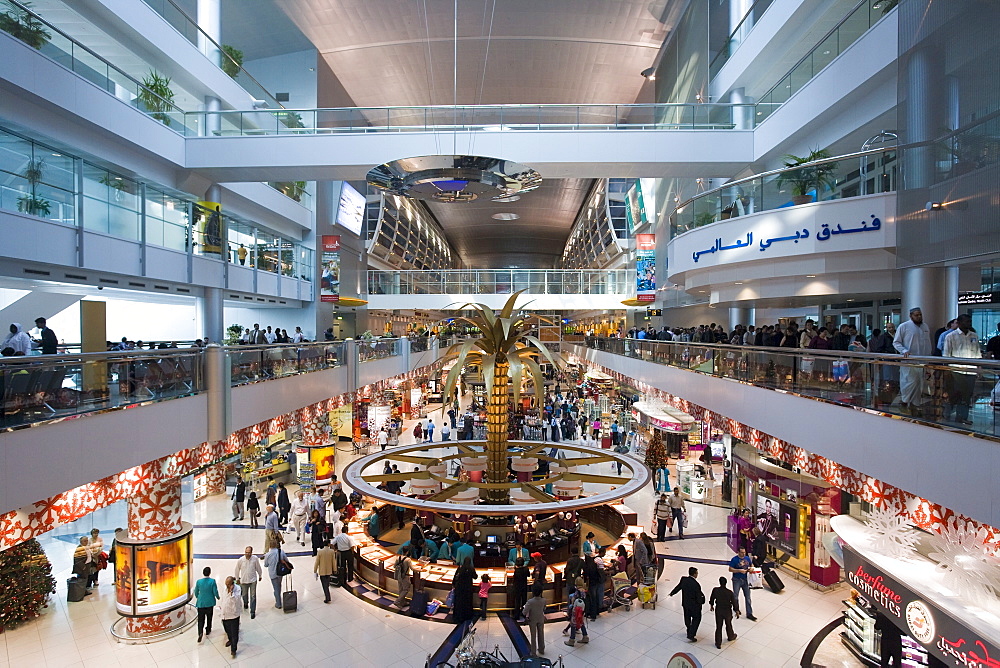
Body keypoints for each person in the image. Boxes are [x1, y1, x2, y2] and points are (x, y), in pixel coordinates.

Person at [942, 313, 981, 425]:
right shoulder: (951, 336)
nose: (968, 324)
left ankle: (962, 417)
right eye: (966, 322)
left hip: (970, 370)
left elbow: (977, 353)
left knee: (967, 395)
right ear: (959, 323)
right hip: (956, 371)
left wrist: (978, 368)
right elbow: (946, 355)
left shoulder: (974, 335)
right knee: (954, 394)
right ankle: (947, 414)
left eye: (969, 321)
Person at [893, 307, 933, 416]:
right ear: (911, 316)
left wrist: (929, 359)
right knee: (909, 382)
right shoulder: (904, 326)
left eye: (920, 314)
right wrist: (904, 351)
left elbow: (928, 343)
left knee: (919, 383)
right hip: (909, 361)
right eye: (916, 315)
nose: (919, 317)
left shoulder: (925, 327)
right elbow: (896, 342)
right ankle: (904, 403)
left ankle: (915, 406)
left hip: (922, 361)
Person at [669, 566, 705, 642]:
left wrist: (672, 592)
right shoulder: (696, 584)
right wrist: (701, 602)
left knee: (687, 617)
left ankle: (689, 629)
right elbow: (698, 596)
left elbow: (678, 587)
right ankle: (691, 634)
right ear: (695, 574)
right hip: (694, 605)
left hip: (685, 603)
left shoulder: (684, 579)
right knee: (696, 618)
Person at [709, 575, 739, 649]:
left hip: (719, 609)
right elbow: (734, 602)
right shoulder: (729, 592)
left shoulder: (715, 590)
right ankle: (730, 636)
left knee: (718, 626)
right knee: (728, 624)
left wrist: (711, 605)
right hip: (727, 610)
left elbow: (712, 598)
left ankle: (718, 643)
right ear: (726, 583)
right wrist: (737, 610)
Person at [729, 546, 758, 621]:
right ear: (738, 552)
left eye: (744, 552)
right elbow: (730, 569)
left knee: (748, 597)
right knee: (735, 596)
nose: (743, 554)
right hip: (737, 579)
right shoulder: (734, 559)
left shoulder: (747, 558)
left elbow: (751, 565)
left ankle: (749, 613)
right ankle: (736, 608)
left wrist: (752, 568)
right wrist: (739, 570)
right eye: (742, 552)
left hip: (746, 579)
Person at [234, 546, 262, 619]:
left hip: (253, 580)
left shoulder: (255, 559)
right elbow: (237, 569)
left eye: (249, 552)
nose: (247, 554)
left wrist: (260, 575)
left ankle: (252, 611)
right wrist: (237, 578)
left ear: (251, 553)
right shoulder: (241, 560)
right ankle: (246, 603)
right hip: (243, 581)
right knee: (244, 595)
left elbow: (258, 567)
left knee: (253, 596)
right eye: (246, 552)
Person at [194, 566, 219, 642]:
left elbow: (196, 592)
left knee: (201, 619)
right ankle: (208, 629)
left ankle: (200, 632)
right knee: (209, 617)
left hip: (201, 603)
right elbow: (215, 591)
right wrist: (218, 597)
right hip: (210, 602)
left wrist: (198, 597)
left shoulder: (199, 582)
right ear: (209, 573)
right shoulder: (212, 581)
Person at [219, 576, 242, 658]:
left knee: (234, 632)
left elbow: (236, 600)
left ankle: (233, 649)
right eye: (226, 584)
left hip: (233, 615)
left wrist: (231, 592)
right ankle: (230, 640)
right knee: (227, 630)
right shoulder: (225, 589)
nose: (227, 586)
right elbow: (223, 599)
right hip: (225, 614)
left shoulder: (237, 589)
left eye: (228, 584)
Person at [522, 584, 547, 657]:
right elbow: (544, 609)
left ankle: (533, 652)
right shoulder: (544, 600)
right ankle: (541, 648)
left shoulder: (530, 601)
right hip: (541, 618)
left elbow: (524, 612)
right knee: (541, 633)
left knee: (533, 636)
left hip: (532, 620)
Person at [564, 579, 589, 646]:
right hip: (582, 609)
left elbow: (573, 600)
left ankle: (571, 640)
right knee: (581, 622)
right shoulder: (584, 591)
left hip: (576, 610)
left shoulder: (577, 592)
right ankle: (585, 636)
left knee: (573, 623)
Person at [453, 557, 477, 624]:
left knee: (459, 602)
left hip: (460, 588)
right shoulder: (471, 569)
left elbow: (455, 577)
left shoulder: (460, 568)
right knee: (467, 602)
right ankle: (467, 616)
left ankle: (458, 617)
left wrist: (454, 585)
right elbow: (475, 576)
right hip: (468, 588)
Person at [262, 545, 285, 609]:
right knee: (279, 585)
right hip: (280, 572)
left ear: (270, 546)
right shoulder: (281, 552)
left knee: (275, 587)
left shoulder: (267, 555)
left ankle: (278, 603)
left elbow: (266, 565)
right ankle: (278, 598)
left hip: (272, 574)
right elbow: (286, 560)